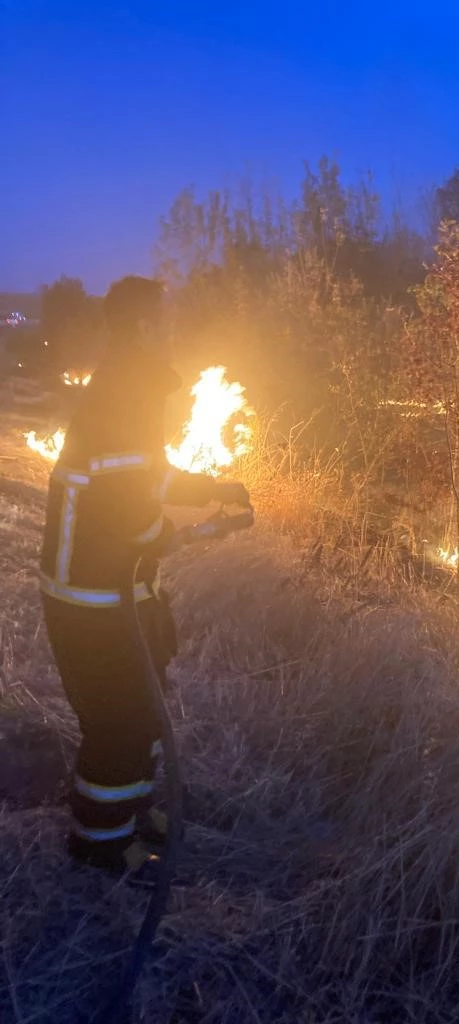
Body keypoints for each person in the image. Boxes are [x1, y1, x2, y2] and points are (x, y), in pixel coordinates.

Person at [39, 275, 250, 876]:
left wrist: (210, 488)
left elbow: (146, 477)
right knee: (118, 716)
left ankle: (129, 814)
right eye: (164, 316)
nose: (173, 325)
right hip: (91, 594)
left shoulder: (136, 386)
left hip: (121, 586)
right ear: (140, 326)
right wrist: (164, 537)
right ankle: (99, 842)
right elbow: (127, 507)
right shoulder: (124, 392)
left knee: (146, 704)